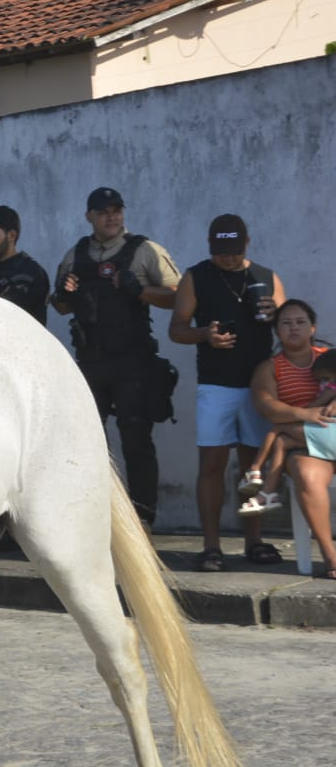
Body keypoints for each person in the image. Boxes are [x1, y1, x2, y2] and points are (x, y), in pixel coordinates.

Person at [51, 187, 180, 528]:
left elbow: (177, 296)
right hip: (91, 362)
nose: (112, 217)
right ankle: (99, 519)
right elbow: (61, 307)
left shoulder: (144, 250)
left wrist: (141, 291)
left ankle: (143, 520)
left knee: (136, 439)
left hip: (132, 362)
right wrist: (64, 294)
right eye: (103, 212)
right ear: (89, 217)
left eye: (116, 210)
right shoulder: (76, 254)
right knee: (90, 444)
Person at [167, 214, 285, 571]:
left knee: (253, 467)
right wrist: (205, 335)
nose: (228, 258)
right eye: (221, 252)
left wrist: (277, 313)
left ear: (247, 243)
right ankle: (211, 547)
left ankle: (255, 541)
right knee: (212, 464)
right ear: (210, 246)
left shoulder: (267, 276)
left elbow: (289, 326)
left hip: (258, 385)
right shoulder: (196, 276)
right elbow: (176, 330)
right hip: (215, 383)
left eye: (234, 251)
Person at [246, 300, 336, 578]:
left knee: (281, 437)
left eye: (300, 322)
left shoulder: (330, 357)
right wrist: (304, 414)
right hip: (305, 443)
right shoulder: (270, 368)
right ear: (276, 330)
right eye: (286, 323)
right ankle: (331, 556)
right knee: (305, 474)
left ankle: (266, 487)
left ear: (313, 327)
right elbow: (266, 406)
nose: (293, 328)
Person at [241, 350, 336, 515]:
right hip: (328, 435)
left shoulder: (331, 389)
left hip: (331, 433)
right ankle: (268, 493)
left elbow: (314, 406)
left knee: (278, 427)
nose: (323, 383)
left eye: (326, 378)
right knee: (282, 442)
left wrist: (300, 413)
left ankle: (255, 469)